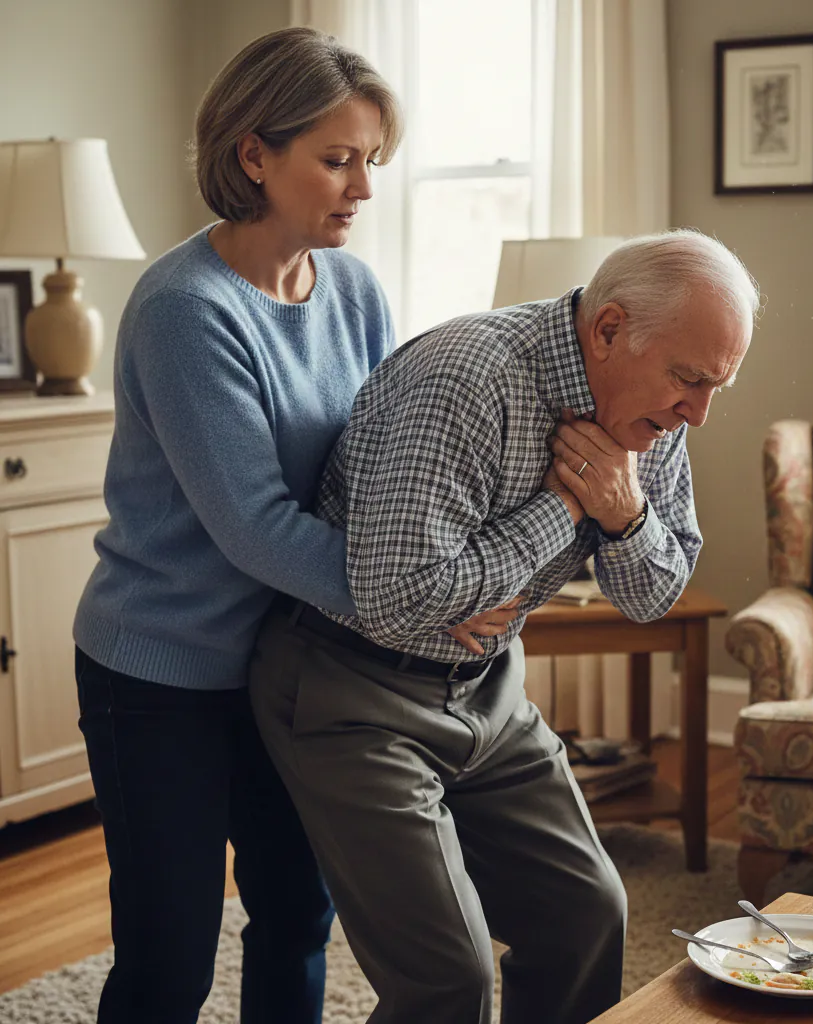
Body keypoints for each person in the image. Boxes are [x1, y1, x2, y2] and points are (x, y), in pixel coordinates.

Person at [71, 27, 515, 1024]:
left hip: (294, 662)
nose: (364, 187)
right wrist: (423, 605)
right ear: (253, 156)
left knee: (296, 918)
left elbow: (378, 463)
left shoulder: (352, 287)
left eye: (372, 160)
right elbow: (259, 528)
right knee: (168, 963)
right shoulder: (185, 309)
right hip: (163, 675)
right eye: (338, 159)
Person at [249, 229, 759, 1024]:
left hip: (487, 688)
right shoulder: (466, 377)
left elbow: (653, 593)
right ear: (609, 329)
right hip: (350, 693)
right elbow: (398, 599)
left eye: (716, 386)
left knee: (587, 914)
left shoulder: (653, 419)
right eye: (690, 380)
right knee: (448, 977)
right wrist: (566, 508)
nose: (699, 412)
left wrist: (624, 512)